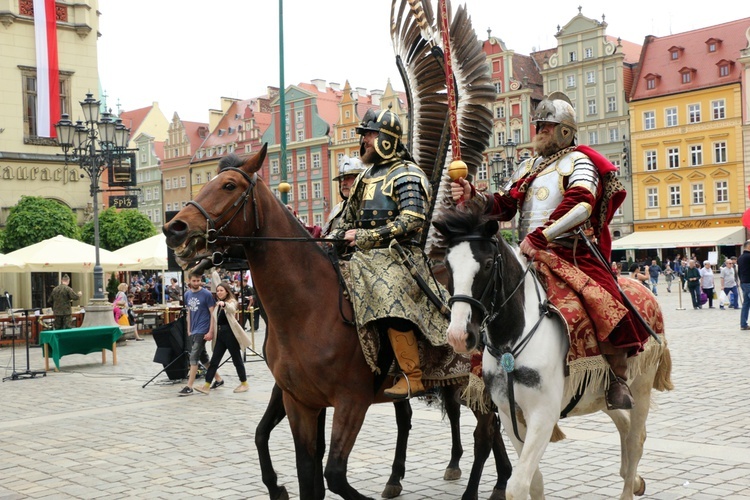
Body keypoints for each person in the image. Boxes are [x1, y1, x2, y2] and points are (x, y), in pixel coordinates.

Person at [451, 92, 649, 410]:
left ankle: (617, 377)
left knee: (603, 300)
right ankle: (488, 373)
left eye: (546, 125)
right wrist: (474, 194)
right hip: (528, 251)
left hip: (571, 251)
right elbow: (504, 204)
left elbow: (582, 203)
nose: (539, 130)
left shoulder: (579, 161)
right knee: (486, 298)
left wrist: (543, 236)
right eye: (538, 125)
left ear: (564, 130)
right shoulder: (529, 166)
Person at [329, 107, 448, 400]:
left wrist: (367, 236)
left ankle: (413, 375)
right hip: (363, 256)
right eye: (365, 135)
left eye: (369, 134)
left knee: (387, 293)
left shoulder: (407, 173)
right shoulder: (365, 177)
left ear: (386, 138)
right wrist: (335, 237)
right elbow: (347, 220)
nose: (365, 140)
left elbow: (412, 220)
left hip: (400, 257)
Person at [194, 282, 252, 394]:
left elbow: (232, 309)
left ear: (226, 291)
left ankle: (244, 383)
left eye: (221, 290)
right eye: (218, 290)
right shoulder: (217, 305)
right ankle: (206, 385)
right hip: (220, 335)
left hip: (230, 334)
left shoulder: (231, 302)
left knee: (237, 359)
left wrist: (224, 305)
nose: (219, 292)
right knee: (214, 360)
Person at [179, 271, 223, 396]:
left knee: (193, 357)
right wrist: (188, 329)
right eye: (194, 281)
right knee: (203, 358)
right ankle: (219, 379)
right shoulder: (187, 294)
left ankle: (189, 386)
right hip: (193, 329)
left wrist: (211, 331)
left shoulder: (207, 294)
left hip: (203, 329)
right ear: (189, 281)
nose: (196, 283)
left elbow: (212, 314)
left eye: (198, 280)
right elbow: (189, 313)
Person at [322, 155, 367, 236]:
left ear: (361, 178)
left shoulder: (370, 204)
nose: (343, 183)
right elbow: (323, 236)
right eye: (342, 179)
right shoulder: (337, 209)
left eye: (349, 177)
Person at [739, 241, 750, 330]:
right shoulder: (748, 257)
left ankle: (743, 324)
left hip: (743, 282)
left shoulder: (741, 257)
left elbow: (738, 272)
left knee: (746, 304)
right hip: (749, 283)